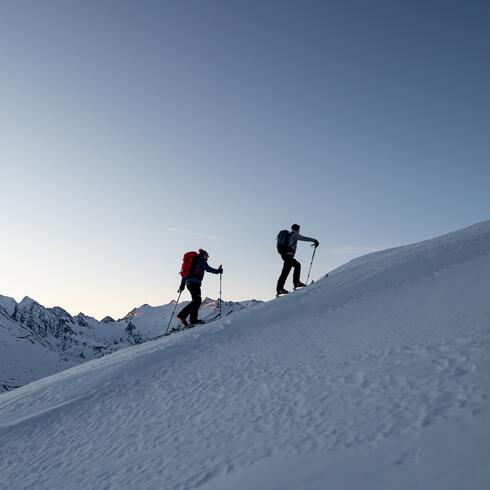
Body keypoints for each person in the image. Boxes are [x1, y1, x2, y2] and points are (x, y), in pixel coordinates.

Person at [177, 249, 223, 327]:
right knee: (197, 300)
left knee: (196, 300)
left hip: (190, 283)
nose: (207, 258)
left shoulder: (193, 262)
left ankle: (193, 320)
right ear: (203, 255)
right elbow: (208, 268)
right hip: (194, 283)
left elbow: (185, 275)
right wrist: (217, 271)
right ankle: (183, 316)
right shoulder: (201, 260)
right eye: (206, 256)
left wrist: (182, 286)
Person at [277, 224, 319, 295]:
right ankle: (295, 283)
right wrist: (314, 240)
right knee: (297, 266)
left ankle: (280, 289)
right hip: (288, 255)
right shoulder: (294, 234)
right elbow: (303, 238)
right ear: (297, 229)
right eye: (299, 229)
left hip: (285, 255)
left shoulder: (289, 235)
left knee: (286, 271)